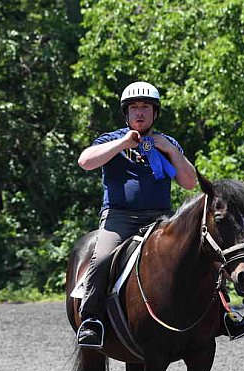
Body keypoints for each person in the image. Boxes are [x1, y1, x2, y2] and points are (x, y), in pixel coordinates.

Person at [76, 81, 197, 347]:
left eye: (145, 107)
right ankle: (91, 319)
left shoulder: (168, 143)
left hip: (161, 219)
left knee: (198, 250)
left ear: (155, 113)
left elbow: (190, 182)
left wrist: (170, 149)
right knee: (103, 257)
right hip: (119, 218)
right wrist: (123, 143)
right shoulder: (111, 139)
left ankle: (222, 314)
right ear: (126, 113)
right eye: (133, 108)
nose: (139, 112)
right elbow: (85, 162)